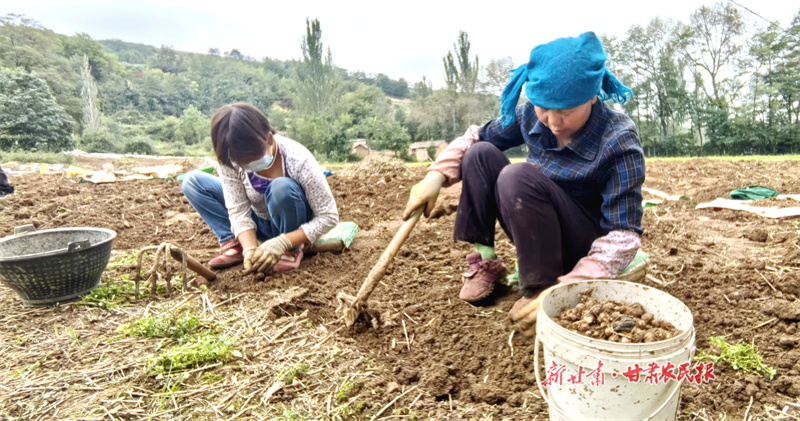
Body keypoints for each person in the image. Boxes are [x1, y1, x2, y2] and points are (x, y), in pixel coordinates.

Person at [403, 32, 645, 334]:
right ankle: (486, 263)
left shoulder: (618, 139)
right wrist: (435, 177)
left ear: (593, 95)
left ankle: (540, 290)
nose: (554, 122)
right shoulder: (532, 115)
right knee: (479, 154)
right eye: (545, 108)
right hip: (537, 227)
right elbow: (474, 137)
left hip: (584, 243)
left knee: (518, 176)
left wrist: (568, 286)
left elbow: (624, 236)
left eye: (566, 111)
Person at [181, 103, 338, 273]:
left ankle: (291, 250)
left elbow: (328, 216)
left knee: (281, 187)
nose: (246, 167)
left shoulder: (298, 159)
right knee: (193, 182)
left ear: (269, 139)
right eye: (241, 163)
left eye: (252, 159)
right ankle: (237, 245)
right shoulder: (231, 160)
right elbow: (238, 209)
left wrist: (283, 242)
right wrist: (250, 249)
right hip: (259, 222)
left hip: (294, 225)